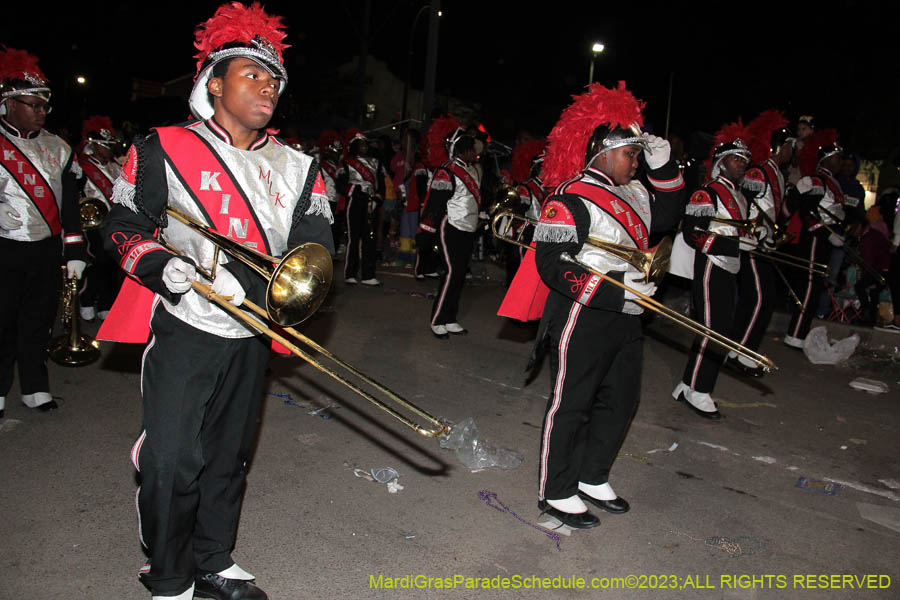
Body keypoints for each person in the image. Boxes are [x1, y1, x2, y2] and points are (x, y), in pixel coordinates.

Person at [98, 4, 333, 598]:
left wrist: (282, 285)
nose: (268, 87)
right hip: (186, 318)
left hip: (253, 326)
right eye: (252, 74)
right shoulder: (163, 146)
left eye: (274, 78)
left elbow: (314, 244)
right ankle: (170, 574)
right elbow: (123, 222)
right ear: (214, 82)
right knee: (172, 459)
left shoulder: (301, 167)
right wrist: (160, 264)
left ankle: (213, 557)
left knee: (228, 456)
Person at [501, 82, 684, 527]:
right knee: (573, 400)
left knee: (621, 398)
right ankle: (557, 489)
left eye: (641, 157)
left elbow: (666, 218)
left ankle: (592, 475)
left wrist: (665, 169)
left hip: (627, 314)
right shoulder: (568, 196)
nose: (636, 162)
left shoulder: (637, 191)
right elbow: (552, 264)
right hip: (582, 312)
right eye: (632, 154)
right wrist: (620, 290)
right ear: (603, 150)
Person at [0, 47, 86, 418]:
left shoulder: (59, 148)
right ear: (8, 104)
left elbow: (70, 206)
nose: (40, 111)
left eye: (44, 106)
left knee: (37, 319)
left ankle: (35, 387)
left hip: (45, 248)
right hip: (3, 247)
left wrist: (77, 254)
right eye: (32, 104)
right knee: (2, 320)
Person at [673, 123, 755, 419]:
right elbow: (692, 232)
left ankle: (687, 383)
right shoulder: (707, 192)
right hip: (711, 265)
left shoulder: (741, 196)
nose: (742, 164)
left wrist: (745, 241)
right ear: (721, 163)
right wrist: (733, 245)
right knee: (713, 330)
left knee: (717, 327)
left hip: (728, 266)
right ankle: (699, 389)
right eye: (736, 158)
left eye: (745, 159)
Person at [728, 110, 795, 378]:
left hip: (764, 243)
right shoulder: (759, 171)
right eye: (789, 145)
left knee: (756, 299)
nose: (792, 151)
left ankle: (738, 349)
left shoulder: (778, 173)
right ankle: (741, 352)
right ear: (778, 146)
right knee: (760, 298)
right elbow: (743, 202)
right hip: (752, 243)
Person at [420, 122, 483, 339]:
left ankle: (450, 318)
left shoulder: (471, 171)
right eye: (470, 149)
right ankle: (437, 319)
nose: (474, 153)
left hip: (467, 228)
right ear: (461, 150)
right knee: (451, 273)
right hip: (451, 227)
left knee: (459, 275)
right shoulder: (446, 171)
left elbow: (469, 200)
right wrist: (426, 231)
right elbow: (435, 204)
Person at [783, 130, 845, 348]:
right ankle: (796, 335)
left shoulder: (832, 182)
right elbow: (807, 213)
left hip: (826, 241)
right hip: (815, 241)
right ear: (827, 159)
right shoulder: (817, 181)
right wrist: (827, 234)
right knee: (809, 288)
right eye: (838, 158)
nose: (841, 162)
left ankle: (799, 333)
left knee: (815, 287)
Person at [78, 115, 123, 321]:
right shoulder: (82, 167)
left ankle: (106, 302)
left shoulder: (115, 166)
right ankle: (86, 299)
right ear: (93, 145)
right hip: (92, 225)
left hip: (113, 223)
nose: (108, 149)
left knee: (113, 264)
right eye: (104, 145)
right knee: (98, 263)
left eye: (110, 145)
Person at [337, 130, 384, 285]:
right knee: (354, 237)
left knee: (369, 238)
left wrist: (377, 198)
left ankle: (368, 275)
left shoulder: (376, 163)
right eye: (361, 144)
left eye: (365, 144)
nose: (364, 147)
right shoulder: (347, 163)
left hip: (371, 203)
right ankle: (350, 273)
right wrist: (357, 191)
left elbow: (381, 185)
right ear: (354, 146)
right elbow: (341, 185)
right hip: (355, 202)